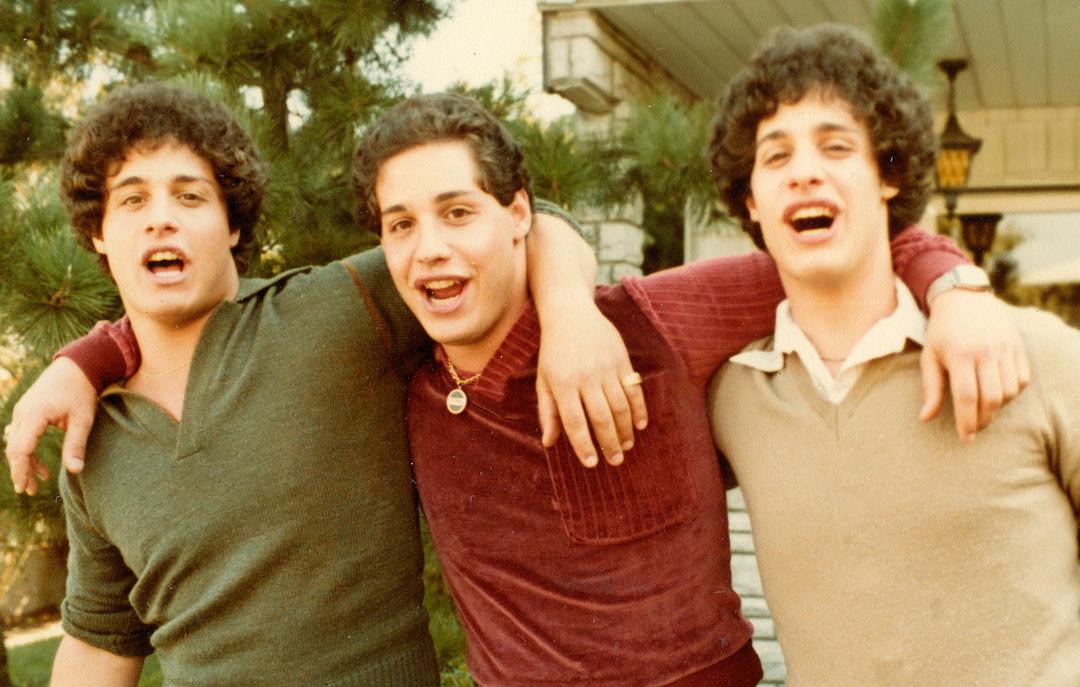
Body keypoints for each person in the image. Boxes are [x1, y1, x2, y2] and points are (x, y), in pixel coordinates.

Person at [346, 92, 1028, 685]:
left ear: (519, 213)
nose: (428, 247)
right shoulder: (405, 380)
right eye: (401, 224)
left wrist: (957, 290)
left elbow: (854, 253)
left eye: (458, 212)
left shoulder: (650, 321)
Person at [24, 82, 638, 686]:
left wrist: (571, 313)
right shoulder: (91, 437)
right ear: (99, 232)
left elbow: (525, 223)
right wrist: (84, 361)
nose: (161, 220)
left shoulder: (331, 312)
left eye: (190, 197)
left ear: (232, 223)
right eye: (133, 201)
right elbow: (98, 642)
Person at [707, 25, 1080, 685]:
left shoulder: (1036, 355)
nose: (805, 171)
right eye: (776, 155)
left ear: (889, 174)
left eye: (836, 146)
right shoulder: (734, 397)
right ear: (750, 200)